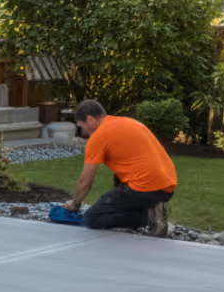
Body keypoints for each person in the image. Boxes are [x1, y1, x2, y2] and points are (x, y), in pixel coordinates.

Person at [62, 100, 176, 236]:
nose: (84, 132)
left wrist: (75, 203)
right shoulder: (127, 122)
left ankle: (148, 217)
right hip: (167, 187)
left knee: (92, 218)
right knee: (118, 186)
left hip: (144, 188)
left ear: (90, 119)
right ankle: (154, 208)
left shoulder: (99, 136)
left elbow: (85, 182)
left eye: (83, 127)